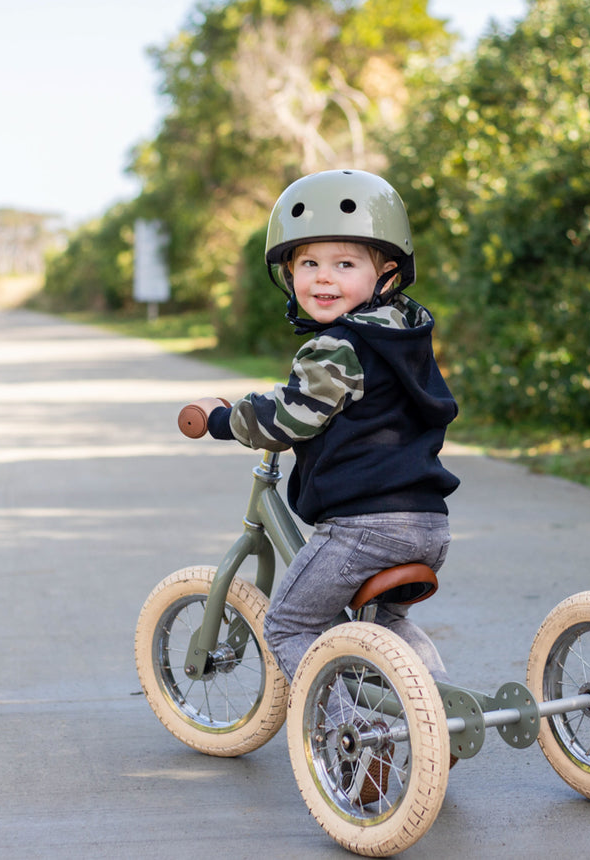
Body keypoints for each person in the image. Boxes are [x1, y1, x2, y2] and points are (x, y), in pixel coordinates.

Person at [193, 169, 460, 791]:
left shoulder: (334, 347)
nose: (321, 277)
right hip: (427, 522)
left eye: (345, 263)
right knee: (385, 624)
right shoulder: (406, 337)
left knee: (288, 623)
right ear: (288, 276)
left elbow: (290, 418)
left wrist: (223, 420)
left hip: (364, 528)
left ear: (384, 272)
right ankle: (439, 721)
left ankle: (352, 738)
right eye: (307, 262)